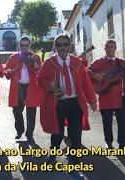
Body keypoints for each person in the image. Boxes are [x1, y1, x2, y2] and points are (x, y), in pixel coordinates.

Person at [37, 34, 97, 165]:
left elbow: (86, 83)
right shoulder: (49, 63)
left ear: (70, 46)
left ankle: (74, 160)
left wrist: (92, 100)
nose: (62, 47)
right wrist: (50, 86)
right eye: (59, 45)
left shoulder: (77, 62)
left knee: (75, 133)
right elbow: (39, 79)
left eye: (65, 44)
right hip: (58, 103)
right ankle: (53, 155)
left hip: (75, 103)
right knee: (57, 133)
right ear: (55, 47)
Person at [86, 39, 125, 149]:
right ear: (105, 49)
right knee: (107, 122)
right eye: (108, 46)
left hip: (121, 99)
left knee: (123, 123)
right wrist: (95, 75)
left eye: (112, 46)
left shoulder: (122, 62)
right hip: (106, 97)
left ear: (115, 48)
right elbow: (86, 71)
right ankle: (109, 143)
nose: (110, 49)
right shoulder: (99, 62)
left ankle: (123, 145)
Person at [4, 36, 41, 143]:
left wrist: (34, 64)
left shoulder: (35, 57)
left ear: (30, 45)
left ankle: (29, 133)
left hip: (31, 87)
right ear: (19, 45)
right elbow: (6, 71)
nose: (24, 47)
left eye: (26, 45)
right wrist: (8, 71)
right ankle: (19, 130)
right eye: (22, 45)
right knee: (17, 110)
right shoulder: (13, 57)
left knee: (31, 111)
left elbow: (40, 71)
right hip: (17, 87)